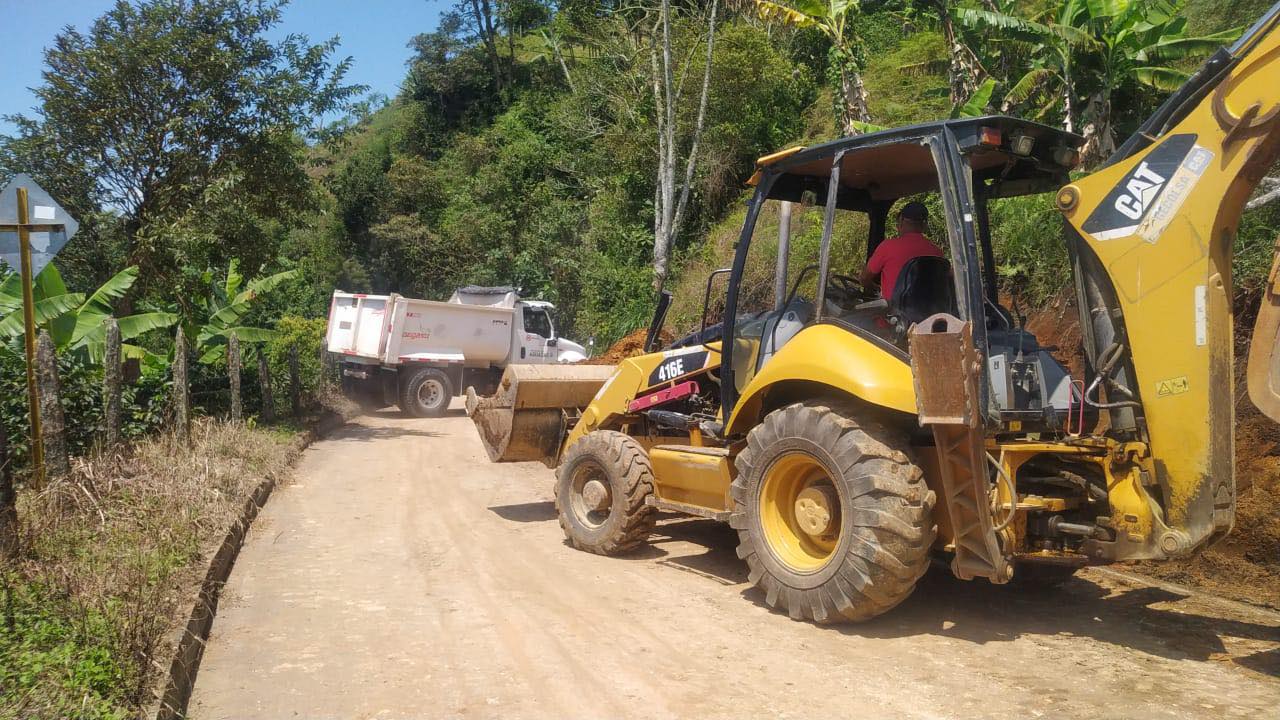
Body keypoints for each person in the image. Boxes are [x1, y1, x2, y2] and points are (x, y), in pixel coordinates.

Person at [859, 201, 944, 301]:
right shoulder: (937, 252)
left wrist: (877, 288)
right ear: (925, 225)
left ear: (901, 221)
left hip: (892, 314)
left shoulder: (887, 247)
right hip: (927, 314)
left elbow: (864, 278)